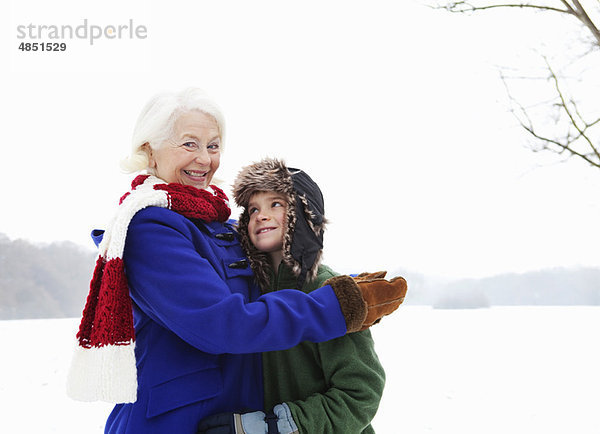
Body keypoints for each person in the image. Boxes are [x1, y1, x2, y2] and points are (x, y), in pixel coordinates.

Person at [66, 88, 407, 434]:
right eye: (189, 144)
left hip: (235, 415)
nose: (204, 159)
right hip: (175, 421)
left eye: (213, 146)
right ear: (149, 150)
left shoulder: (222, 226)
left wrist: (343, 287)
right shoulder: (150, 227)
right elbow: (221, 324)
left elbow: (291, 266)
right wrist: (338, 306)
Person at [197, 158, 393, 433]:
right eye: (253, 209)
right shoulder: (248, 295)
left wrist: (277, 426)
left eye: (275, 204)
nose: (261, 216)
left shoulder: (328, 290)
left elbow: (361, 392)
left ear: (305, 213)